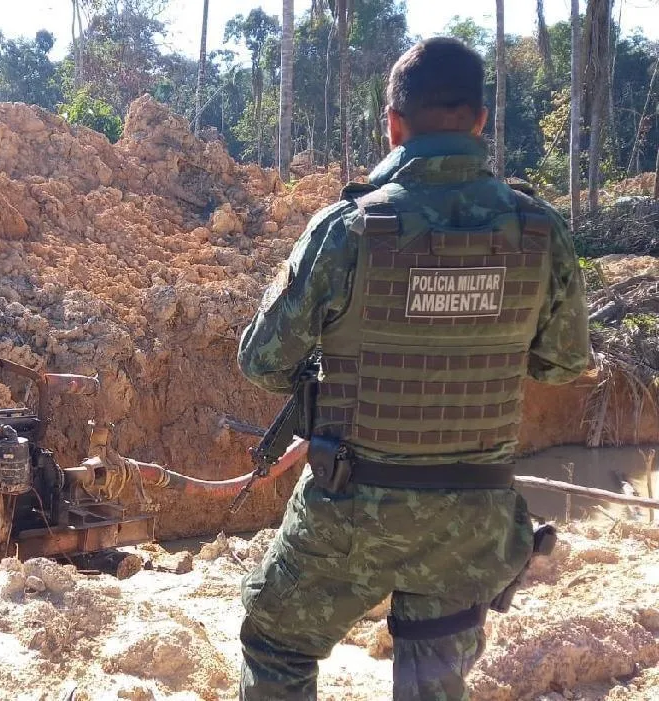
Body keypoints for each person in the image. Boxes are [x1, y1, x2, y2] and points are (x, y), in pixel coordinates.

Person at [236, 37, 590, 701]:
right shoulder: (540, 230)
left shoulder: (348, 227)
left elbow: (261, 361)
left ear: (394, 123)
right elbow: (564, 362)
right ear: (481, 121)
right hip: (473, 520)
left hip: (352, 511)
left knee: (276, 643)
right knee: (434, 683)